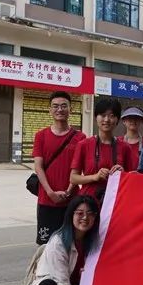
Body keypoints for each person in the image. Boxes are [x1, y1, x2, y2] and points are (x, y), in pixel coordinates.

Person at [31, 91, 87, 245]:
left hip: (72, 201)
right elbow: (38, 167)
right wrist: (50, 192)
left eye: (64, 106)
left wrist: (68, 191)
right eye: (55, 106)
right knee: (46, 246)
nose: (59, 109)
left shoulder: (80, 137)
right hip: (46, 200)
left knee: (72, 243)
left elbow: (79, 168)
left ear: (71, 109)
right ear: (50, 110)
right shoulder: (41, 136)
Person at [70, 98, 134, 203]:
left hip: (115, 202)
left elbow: (131, 178)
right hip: (88, 203)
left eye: (112, 116)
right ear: (96, 118)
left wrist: (123, 173)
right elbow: (73, 178)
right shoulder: (83, 145)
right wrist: (95, 177)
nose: (107, 119)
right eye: (103, 115)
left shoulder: (125, 147)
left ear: (117, 120)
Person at [118, 106, 143, 171]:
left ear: (141, 121)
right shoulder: (117, 142)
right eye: (130, 118)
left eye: (136, 118)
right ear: (124, 121)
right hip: (122, 177)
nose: (133, 120)